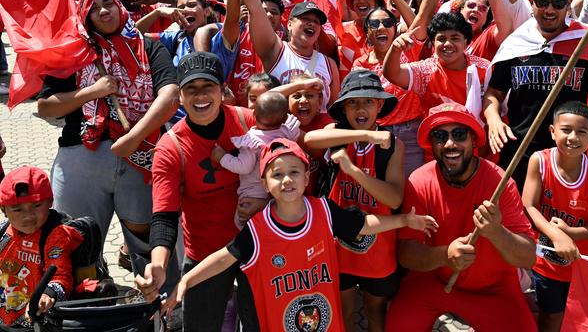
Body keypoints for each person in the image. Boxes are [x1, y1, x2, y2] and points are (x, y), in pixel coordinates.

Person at [154, 138, 437, 331]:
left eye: (294, 172)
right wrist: (186, 281)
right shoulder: (258, 229)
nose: (287, 179)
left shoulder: (325, 211)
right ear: (264, 183)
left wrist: (404, 220)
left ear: (305, 177)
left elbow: (363, 225)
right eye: (277, 174)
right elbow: (223, 258)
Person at [37, 0, 178, 275]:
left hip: (143, 158)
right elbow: (46, 107)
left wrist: (133, 138)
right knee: (76, 241)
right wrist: (91, 91)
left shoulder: (148, 46)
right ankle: (84, 306)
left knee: (149, 242)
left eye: (108, 3)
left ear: (119, 7)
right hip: (82, 156)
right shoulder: (74, 53)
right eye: (94, 7)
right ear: (85, 17)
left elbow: (170, 95)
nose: (103, 10)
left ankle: (163, 309)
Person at [385, 103, 537, 331]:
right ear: (432, 144)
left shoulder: (501, 183)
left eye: (459, 134)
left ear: (474, 140)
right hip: (432, 279)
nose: (449, 144)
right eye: (439, 136)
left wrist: (497, 232)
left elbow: (527, 257)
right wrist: (445, 255)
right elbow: (406, 253)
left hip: (494, 288)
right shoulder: (418, 181)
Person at [139, 52, 257, 331]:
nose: (200, 96)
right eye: (191, 88)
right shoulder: (171, 147)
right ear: (180, 97)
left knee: (260, 324)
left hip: (256, 247)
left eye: (208, 87)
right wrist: (158, 264)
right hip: (205, 251)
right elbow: (164, 216)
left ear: (222, 90)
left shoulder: (248, 121)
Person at [484, 0, 588, 192]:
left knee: (560, 223)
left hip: (569, 159)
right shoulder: (516, 44)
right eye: (542, 2)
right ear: (531, 2)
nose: (549, 10)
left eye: (558, 3)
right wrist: (493, 119)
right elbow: (493, 94)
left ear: (568, 5)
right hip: (518, 154)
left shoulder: (586, 45)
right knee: (516, 222)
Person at [304, 70, 405, 332]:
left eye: (368, 101)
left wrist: (354, 172)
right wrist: (365, 136)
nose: (360, 108)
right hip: (338, 244)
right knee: (343, 310)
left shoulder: (393, 145)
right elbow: (310, 139)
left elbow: (395, 197)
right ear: (343, 107)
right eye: (353, 102)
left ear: (380, 105)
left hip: (379, 245)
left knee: (376, 311)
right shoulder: (336, 132)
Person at [522, 101, 588, 332]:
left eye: (582, 131)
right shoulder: (540, 160)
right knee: (551, 317)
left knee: (576, 317)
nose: (573, 137)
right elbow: (528, 205)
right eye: (565, 130)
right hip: (546, 263)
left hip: (581, 266)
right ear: (552, 132)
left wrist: (570, 233)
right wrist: (555, 234)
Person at [228, 0, 340, 110]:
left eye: (316, 22)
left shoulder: (329, 65)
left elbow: (332, 110)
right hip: (279, 131)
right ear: (288, 23)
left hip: (317, 134)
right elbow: (255, 7)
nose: (311, 23)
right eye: (304, 19)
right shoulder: (275, 50)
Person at [0, 166, 83, 327]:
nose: (28, 216)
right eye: (17, 209)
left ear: (50, 201)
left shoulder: (55, 235)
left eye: (37, 206)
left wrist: (48, 295)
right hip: (7, 316)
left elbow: (61, 276)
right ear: (4, 210)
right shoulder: (4, 231)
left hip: (38, 320)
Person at [211, 91, 301, 229]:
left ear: (253, 115)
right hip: (279, 190)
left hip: (253, 193)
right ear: (283, 119)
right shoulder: (287, 132)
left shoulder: (252, 141)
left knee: (243, 223)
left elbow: (244, 167)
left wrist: (223, 157)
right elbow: (294, 132)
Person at [353, 6, 425, 175]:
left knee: (411, 186)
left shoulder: (409, 50)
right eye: (374, 23)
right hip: (376, 133)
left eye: (387, 22)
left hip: (411, 134)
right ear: (367, 32)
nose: (381, 27)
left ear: (395, 29)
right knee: (381, 188)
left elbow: (421, 20)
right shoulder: (360, 64)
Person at [383, 12, 489, 117]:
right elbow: (392, 74)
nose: (447, 44)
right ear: (433, 43)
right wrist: (395, 49)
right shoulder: (425, 72)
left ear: (466, 43)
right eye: (441, 39)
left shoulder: (485, 68)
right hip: (437, 133)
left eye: (455, 38)